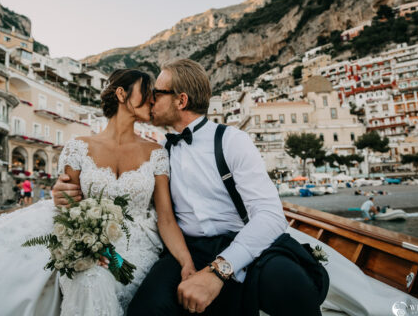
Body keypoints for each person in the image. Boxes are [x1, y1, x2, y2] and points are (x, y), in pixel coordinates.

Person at [0, 68, 193, 315]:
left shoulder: (156, 153)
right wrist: (87, 245)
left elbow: (165, 218)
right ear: (121, 94)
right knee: (89, 277)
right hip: (88, 241)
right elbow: (68, 204)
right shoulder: (79, 147)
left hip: (140, 245)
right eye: (146, 91)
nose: (152, 99)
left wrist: (187, 263)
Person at [54, 59, 326, 315]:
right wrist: (65, 193)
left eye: (157, 93)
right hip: (188, 248)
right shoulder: (159, 152)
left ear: (180, 100)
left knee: (295, 290)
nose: (150, 98)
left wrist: (219, 270)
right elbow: (136, 200)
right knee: (146, 309)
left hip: (240, 240)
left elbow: (270, 215)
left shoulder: (232, 141)